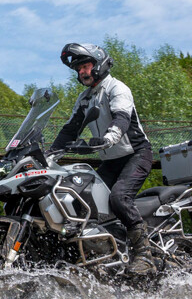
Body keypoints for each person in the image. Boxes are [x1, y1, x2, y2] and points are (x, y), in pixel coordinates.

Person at [48, 43, 156, 274]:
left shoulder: (117, 88)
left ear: (99, 64)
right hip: (111, 160)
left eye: (85, 66)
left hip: (136, 154)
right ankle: (104, 255)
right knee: (86, 201)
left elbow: (122, 118)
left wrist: (109, 137)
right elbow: (70, 130)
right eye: (78, 69)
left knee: (119, 197)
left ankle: (144, 255)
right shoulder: (85, 98)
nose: (82, 72)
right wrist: (49, 153)